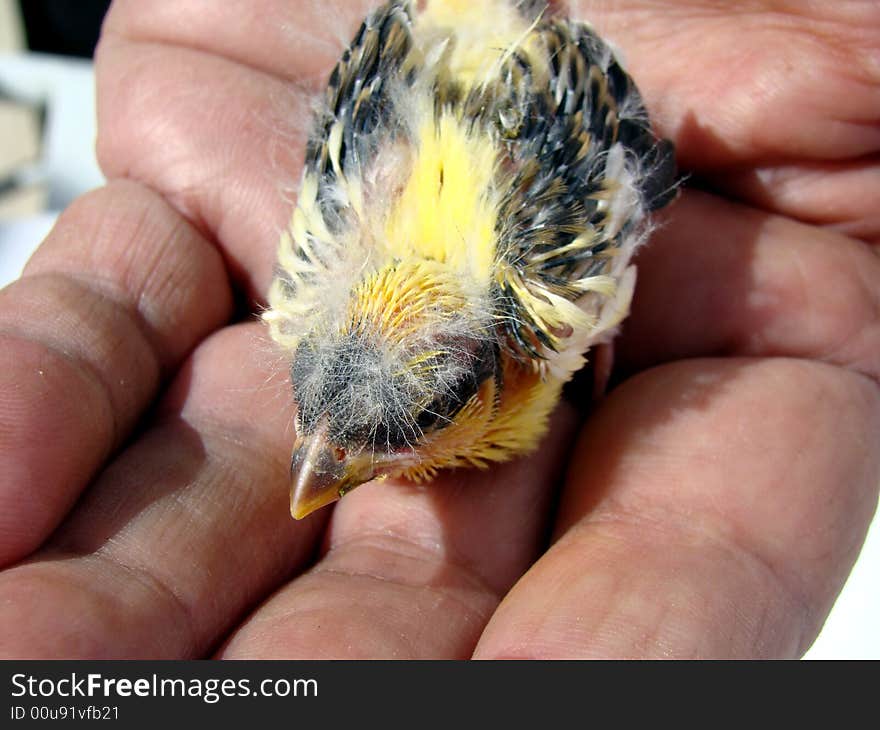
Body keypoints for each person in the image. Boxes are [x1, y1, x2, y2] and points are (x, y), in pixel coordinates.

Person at [0, 0, 878, 659]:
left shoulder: (549, 303)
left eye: (403, 429)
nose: (316, 466)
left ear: (488, 382)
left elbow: (616, 137)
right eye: (325, 431)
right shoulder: (318, 291)